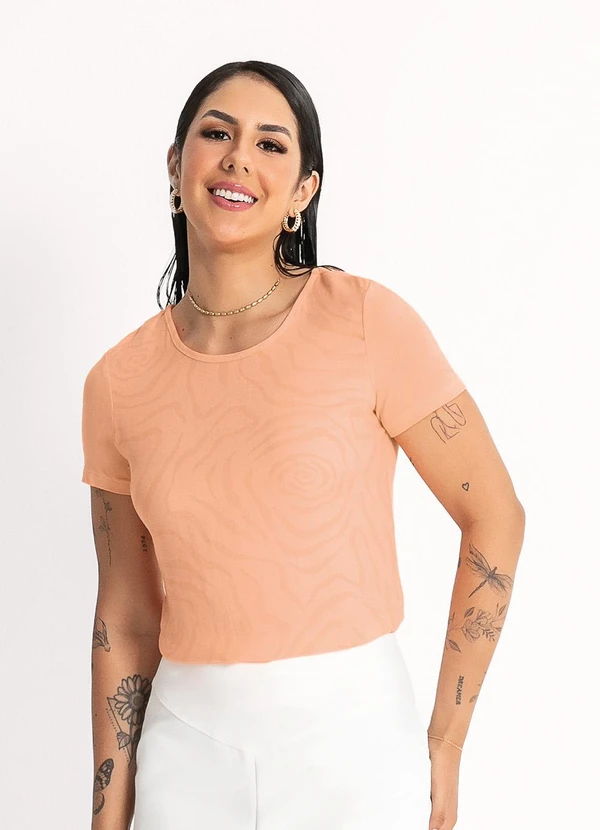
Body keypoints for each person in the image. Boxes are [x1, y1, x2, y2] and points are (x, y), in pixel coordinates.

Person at [81, 60, 526, 830]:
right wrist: (108, 811)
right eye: (216, 133)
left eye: (270, 144)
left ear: (302, 192)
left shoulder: (365, 322)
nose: (238, 158)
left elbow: (495, 514)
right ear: (176, 166)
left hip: (353, 746)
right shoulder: (118, 381)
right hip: (186, 753)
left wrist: (446, 743)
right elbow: (124, 616)